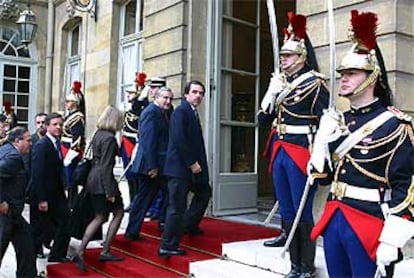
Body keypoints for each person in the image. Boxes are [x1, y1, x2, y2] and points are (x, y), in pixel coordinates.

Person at [309, 10, 414, 278]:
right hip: (336, 218)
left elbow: (408, 189)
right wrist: (321, 143)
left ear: (372, 78)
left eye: (352, 73)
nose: (343, 78)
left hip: (371, 225)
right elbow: (322, 179)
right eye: (343, 73)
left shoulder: (395, 125)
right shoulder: (339, 121)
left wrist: (392, 240)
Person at [257, 12, 329, 278]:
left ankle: (306, 268)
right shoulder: (281, 84)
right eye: (283, 56)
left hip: (302, 153)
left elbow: (325, 124)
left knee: (302, 212)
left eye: (288, 56)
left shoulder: (316, 84)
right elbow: (263, 120)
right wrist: (271, 92)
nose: (283, 60)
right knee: (287, 211)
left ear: (301, 57)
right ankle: (295, 265)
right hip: (281, 150)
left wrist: (320, 157)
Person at [159, 80, 211, 257]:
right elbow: (179, 140)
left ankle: (188, 226)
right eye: (195, 92)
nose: (198, 96)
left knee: (204, 192)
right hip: (180, 169)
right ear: (186, 94)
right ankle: (168, 245)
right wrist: (192, 163)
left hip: (189, 170)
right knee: (176, 208)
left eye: (201, 93)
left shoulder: (191, 112)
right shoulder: (181, 111)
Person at [72, 105, 125, 272]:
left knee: (100, 217)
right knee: (117, 213)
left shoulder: (98, 134)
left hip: (93, 181)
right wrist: (110, 191)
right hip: (103, 182)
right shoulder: (109, 138)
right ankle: (105, 250)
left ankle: (81, 251)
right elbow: (106, 167)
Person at [125, 87, 173, 240]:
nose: (168, 101)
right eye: (165, 98)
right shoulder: (151, 112)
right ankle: (133, 231)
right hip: (149, 166)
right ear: (156, 97)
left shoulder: (163, 112)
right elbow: (148, 141)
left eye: (170, 99)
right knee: (143, 199)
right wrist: (152, 166)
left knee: (162, 194)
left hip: (158, 165)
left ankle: (161, 222)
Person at [30, 112, 71, 263]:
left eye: (61, 124)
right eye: (55, 125)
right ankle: (30, 262)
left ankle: (57, 254)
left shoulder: (56, 143)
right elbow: (37, 174)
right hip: (44, 196)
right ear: (47, 126)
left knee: (66, 221)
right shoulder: (42, 145)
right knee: (38, 230)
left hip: (56, 193)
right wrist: (41, 199)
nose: (59, 127)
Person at [0, 127, 37, 277]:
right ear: (17, 141)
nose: (31, 143)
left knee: (26, 244)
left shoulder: (6, 149)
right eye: (28, 140)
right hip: (6, 214)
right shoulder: (13, 157)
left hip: (13, 213)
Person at [120, 72, 151, 206]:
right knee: (128, 175)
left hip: (135, 142)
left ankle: (137, 202)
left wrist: (142, 95)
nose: (128, 95)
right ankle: (132, 201)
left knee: (135, 174)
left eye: (131, 93)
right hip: (125, 142)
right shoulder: (127, 108)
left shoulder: (142, 109)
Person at [62, 81, 86, 209]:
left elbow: (78, 138)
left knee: (71, 180)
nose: (66, 103)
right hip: (65, 147)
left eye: (69, 101)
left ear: (75, 103)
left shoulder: (77, 117)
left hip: (71, 151)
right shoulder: (70, 116)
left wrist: (70, 155)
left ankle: (73, 203)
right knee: (67, 178)